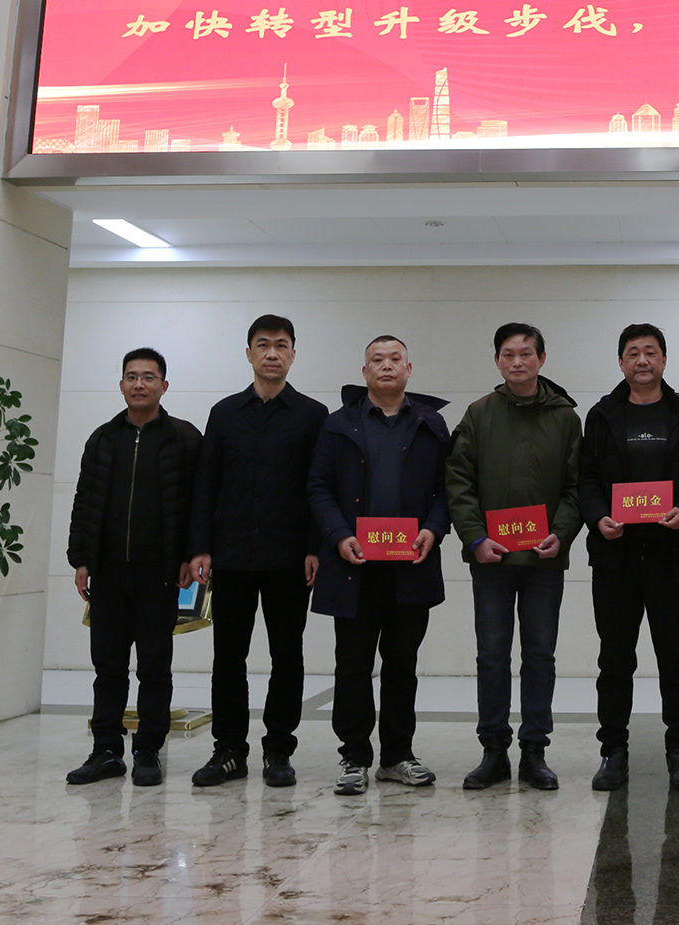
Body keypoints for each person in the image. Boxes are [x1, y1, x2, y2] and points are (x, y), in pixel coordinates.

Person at [188, 314, 328, 789]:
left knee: (287, 656)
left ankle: (278, 749)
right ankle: (229, 749)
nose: (272, 353)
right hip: (231, 556)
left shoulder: (312, 415)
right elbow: (205, 484)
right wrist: (200, 547)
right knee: (228, 657)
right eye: (263, 345)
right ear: (249, 353)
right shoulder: (225, 413)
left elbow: (319, 486)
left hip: (290, 559)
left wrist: (314, 547)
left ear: (293, 354)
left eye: (281, 345)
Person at [307, 335, 451, 795]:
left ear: (409, 368)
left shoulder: (431, 424)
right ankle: (354, 756)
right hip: (354, 565)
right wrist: (339, 535)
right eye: (377, 359)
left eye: (394, 359)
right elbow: (319, 487)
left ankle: (397, 755)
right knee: (352, 665)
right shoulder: (337, 425)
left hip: (410, 564)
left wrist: (434, 528)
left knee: (402, 664)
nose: (386, 366)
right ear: (364, 371)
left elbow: (449, 488)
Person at [579, 323, 679, 794]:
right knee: (614, 661)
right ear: (621, 362)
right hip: (615, 558)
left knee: (676, 660)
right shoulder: (601, 415)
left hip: (671, 558)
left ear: (664, 360)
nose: (642, 360)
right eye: (633, 352)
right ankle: (612, 752)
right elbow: (585, 478)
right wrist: (598, 517)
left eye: (651, 352)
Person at [444, 322, 582, 790]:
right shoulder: (479, 414)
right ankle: (493, 750)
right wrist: (475, 538)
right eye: (508, 354)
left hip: (544, 560)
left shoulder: (565, 418)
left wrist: (561, 534)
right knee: (491, 656)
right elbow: (458, 481)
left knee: (540, 655)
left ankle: (535, 750)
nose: (517, 361)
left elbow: (576, 486)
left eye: (526, 353)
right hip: (492, 560)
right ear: (497, 361)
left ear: (542, 359)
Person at [64, 348, 204, 788]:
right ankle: (106, 751)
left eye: (148, 376)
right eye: (131, 376)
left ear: (164, 385)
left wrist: (191, 554)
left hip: (160, 574)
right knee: (107, 667)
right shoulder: (103, 438)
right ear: (121, 384)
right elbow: (84, 500)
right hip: (108, 572)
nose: (139, 384)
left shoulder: (185, 438)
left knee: (154, 668)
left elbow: (198, 504)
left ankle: (148, 751)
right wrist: (81, 558)